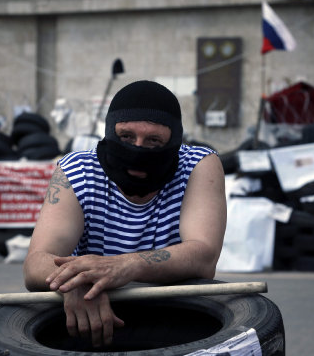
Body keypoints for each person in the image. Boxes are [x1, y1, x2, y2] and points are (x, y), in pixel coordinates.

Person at [23, 80, 227, 348]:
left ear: (174, 141)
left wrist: (126, 266)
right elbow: (35, 262)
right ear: (109, 133)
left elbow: (203, 256)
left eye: (154, 141)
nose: (137, 149)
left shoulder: (198, 165)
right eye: (126, 137)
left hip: (175, 316)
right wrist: (75, 281)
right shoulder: (77, 170)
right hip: (89, 312)